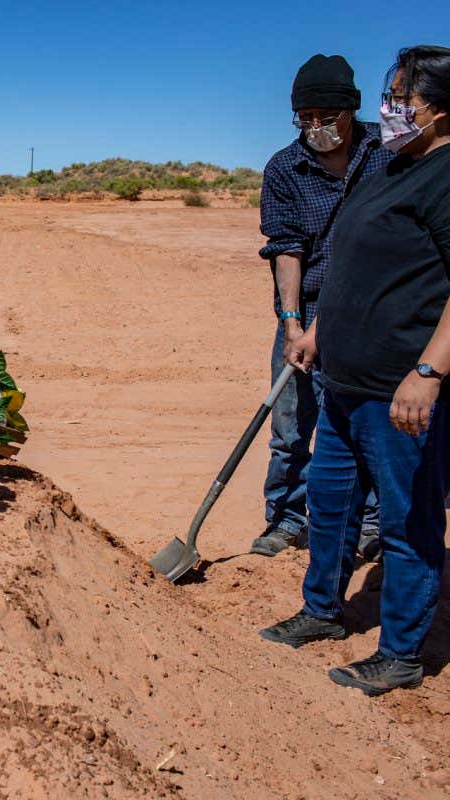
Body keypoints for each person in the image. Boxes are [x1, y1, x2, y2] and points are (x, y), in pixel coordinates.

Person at [261, 46, 450, 696]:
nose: (390, 109)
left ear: (440, 109)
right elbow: (346, 262)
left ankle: (399, 651)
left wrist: (428, 371)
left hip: (400, 389)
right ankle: (321, 611)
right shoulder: (393, 164)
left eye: (403, 97)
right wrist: (312, 327)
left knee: (406, 520)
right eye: (389, 96)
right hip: (341, 376)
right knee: (332, 504)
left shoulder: (447, 173)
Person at [252, 54, 391, 558]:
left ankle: (374, 522)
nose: (315, 127)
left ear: (350, 110)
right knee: (290, 425)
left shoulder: (391, 153)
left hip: (378, 316)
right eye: (304, 117)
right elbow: (285, 248)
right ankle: (286, 518)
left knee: (372, 426)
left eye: (325, 117)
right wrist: (292, 323)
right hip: (306, 312)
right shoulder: (285, 167)